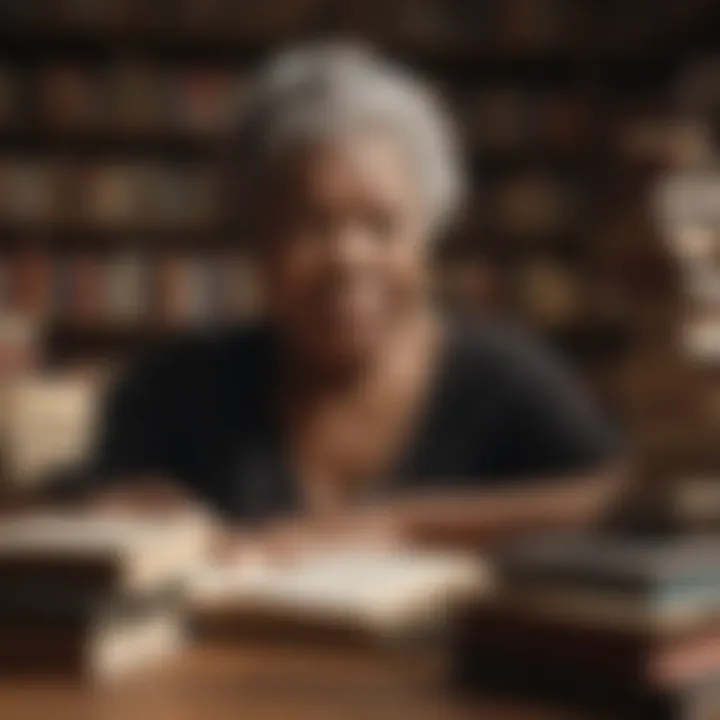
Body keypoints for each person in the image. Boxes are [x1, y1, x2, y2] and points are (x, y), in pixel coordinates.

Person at [89, 44, 622, 550]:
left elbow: (622, 500)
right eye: (309, 224)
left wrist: (401, 525)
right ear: (258, 236)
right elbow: (83, 515)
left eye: (382, 225)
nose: (348, 260)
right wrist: (120, 520)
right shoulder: (179, 385)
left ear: (428, 238)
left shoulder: (506, 376)